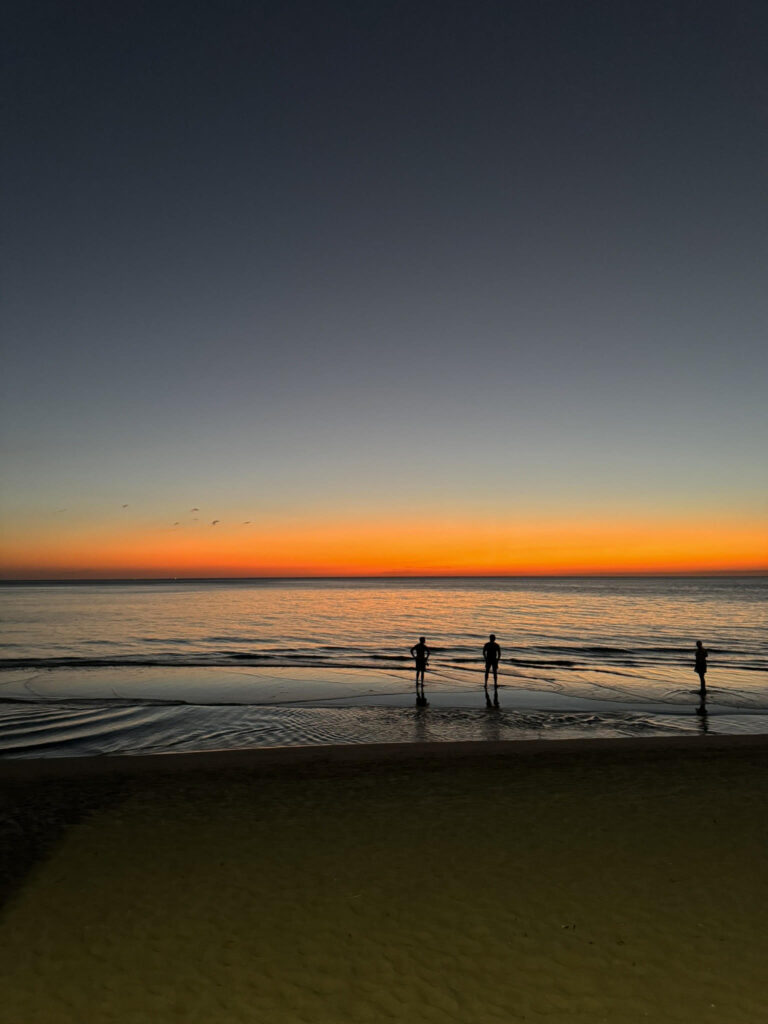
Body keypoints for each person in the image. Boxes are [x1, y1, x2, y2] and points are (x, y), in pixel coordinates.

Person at [410, 636, 431, 705]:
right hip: (422, 659)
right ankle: (421, 683)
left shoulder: (417, 646)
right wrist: (426, 658)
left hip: (418, 659)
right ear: (423, 640)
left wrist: (414, 656)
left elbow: (411, 650)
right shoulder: (424, 646)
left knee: (418, 671)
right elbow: (429, 652)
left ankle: (417, 682)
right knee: (422, 672)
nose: (425, 641)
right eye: (424, 640)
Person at [482, 633, 501, 707]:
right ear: (494, 639)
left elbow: (483, 652)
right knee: (494, 673)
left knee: (487, 672)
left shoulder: (487, 644)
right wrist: (497, 660)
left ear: (490, 638)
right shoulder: (496, 645)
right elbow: (499, 654)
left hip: (489, 660)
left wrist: (486, 659)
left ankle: (485, 684)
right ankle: (495, 684)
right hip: (493, 660)